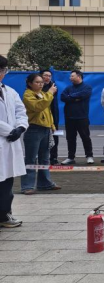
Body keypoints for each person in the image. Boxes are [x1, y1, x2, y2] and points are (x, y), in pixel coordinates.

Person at [21, 73, 61, 195]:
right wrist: (50, 93)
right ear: (30, 83)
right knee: (31, 158)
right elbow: (38, 107)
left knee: (44, 158)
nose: (40, 84)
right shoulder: (28, 95)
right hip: (33, 129)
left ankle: (45, 183)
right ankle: (27, 186)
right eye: (37, 82)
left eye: (41, 82)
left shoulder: (43, 94)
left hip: (45, 129)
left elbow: (48, 112)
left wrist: (52, 125)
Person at [0, 55, 27, 228]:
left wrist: (20, 128)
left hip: (9, 144)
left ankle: (4, 215)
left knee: (7, 182)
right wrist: (10, 130)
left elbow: (21, 111)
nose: (3, 73)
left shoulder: (10, 91)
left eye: (3, 70)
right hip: (5, 136)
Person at [60, 70, 94, 165]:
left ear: (79, 77)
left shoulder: (87, 87)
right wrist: (75, 98)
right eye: (70, 76)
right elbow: (62, 97)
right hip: (69, 117)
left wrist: (70, 97)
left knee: (85, 137)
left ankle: (89, 156)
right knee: (70, 138)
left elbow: (84, 95)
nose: (70, 78)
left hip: (82, 117)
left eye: (72, 76)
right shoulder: (68, 88)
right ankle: (71, 157)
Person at [41, 70, 60, 164]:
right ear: (41, 76)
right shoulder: (37, 87)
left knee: (55, 136)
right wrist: (50, 91)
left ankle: (54, 157)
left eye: (49, 76)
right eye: (45, 75)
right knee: (41, 136)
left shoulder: (54, 86)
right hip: (41, 115)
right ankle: (41, 157)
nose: (47, 77)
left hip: (53, 114)